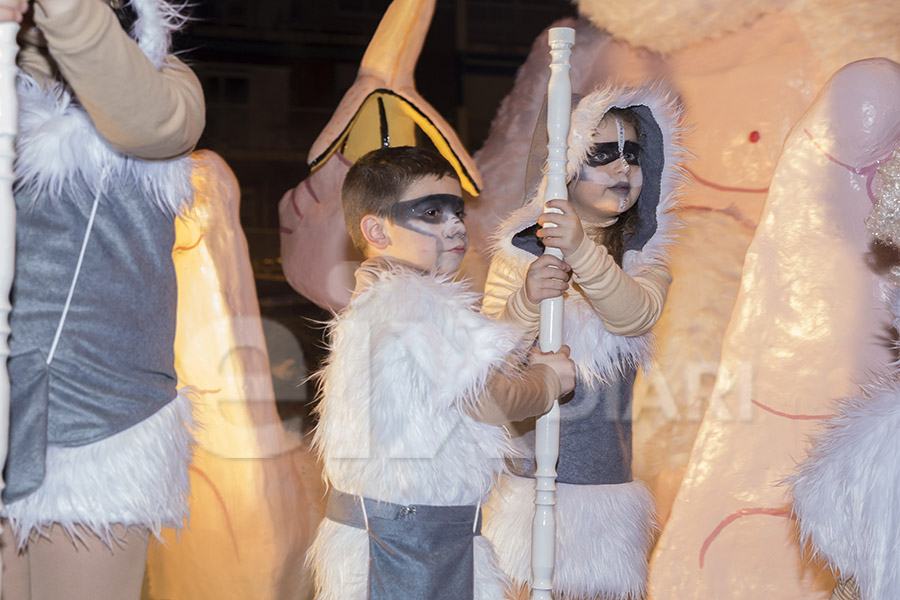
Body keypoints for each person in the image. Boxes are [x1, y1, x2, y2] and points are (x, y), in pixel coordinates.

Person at [307, 145, 576, 600]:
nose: (454, 226)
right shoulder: (413, 304)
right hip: (403, 547)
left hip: (413, 535)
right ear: (377, 229)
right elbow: (490, 398)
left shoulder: (386, 302)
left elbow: (463, 374)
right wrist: (551, 380)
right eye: (430, 212)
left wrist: (526, 305)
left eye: (457, 211)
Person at [0, 0, 204, 598]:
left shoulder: (171, 85)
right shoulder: (14, 97)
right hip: (9, 411)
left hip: (102, 427)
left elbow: (138, 117)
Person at [481, 84, 687, 599]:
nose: (623, 169)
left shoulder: (645, 264)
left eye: (633, 154)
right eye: (602, 154)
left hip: (604, 496)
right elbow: (490, 357)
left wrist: (581, 251)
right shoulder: (516, 258)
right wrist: (529, 298)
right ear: (565, 165)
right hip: (524, 491)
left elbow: (632, 316)